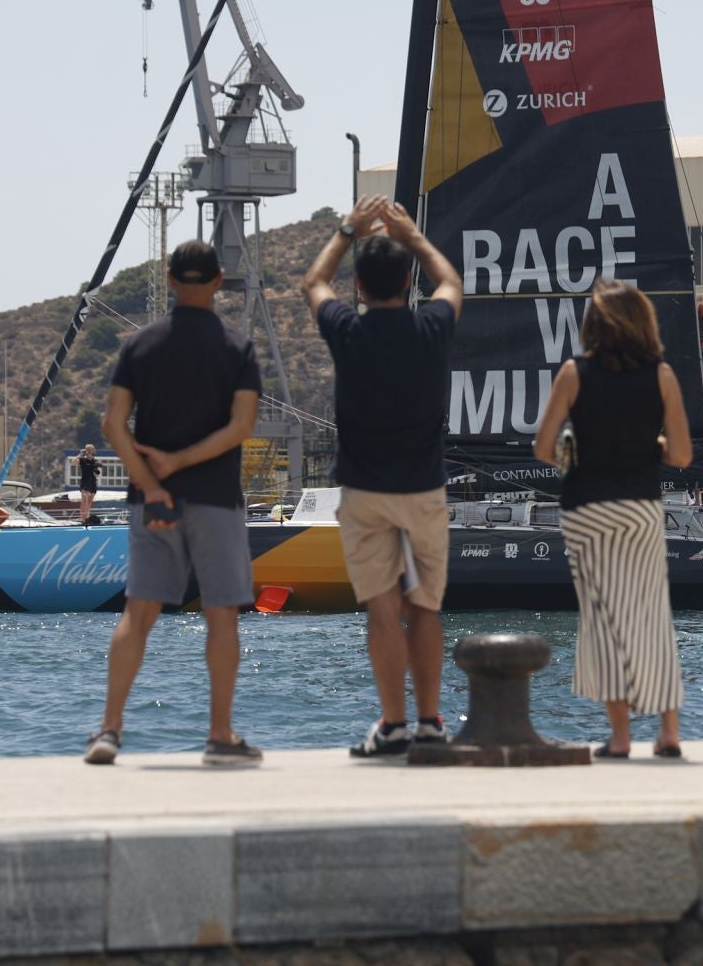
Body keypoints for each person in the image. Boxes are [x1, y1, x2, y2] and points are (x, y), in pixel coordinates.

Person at [85, 239, 263, 768]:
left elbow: (113, 425)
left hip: (152, 504)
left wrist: (152, 481)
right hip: (217, 500)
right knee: (221, 617)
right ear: (218, 281)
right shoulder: (237, 348)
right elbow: (242, 427)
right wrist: (181, 461)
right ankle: (220, 737)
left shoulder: (139, 346)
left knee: (138, 614)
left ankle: (109, 731)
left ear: (169, 279)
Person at [302, 195, 462, 757]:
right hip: (423, 487)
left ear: (361, 289)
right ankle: (430, 722)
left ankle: (392, 725)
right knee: (425, 608)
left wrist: (346, 231)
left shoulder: (348, 330)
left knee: (383, 608)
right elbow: (452, 283)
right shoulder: (432, 327)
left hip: (365, 489)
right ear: (408, 281)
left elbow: (313, 282)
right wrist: (413, 236)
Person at [533, 280, 692, 759]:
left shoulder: (573, 374)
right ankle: (668, 732)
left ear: (594, 326)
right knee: (651, 615)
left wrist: (578, 454)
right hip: (639, 508)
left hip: (587, 508)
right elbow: (681, 455)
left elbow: (542, 447)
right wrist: (648, 445)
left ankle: (620, 737)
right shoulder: (662, 375)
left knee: (602, 618)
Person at [76, 443, 101, 524]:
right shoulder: (82, 460)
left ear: (93, 451)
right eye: (87, 450)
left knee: (89, 503)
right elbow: (73, 462)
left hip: (92, 482)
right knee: (84, 501)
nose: (89, 452)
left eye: (90, 450)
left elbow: (97, 472)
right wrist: (80, 454)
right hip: (85, 482)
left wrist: (95, 471)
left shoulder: (95, 461)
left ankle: (87, 518)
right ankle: (83, 519)